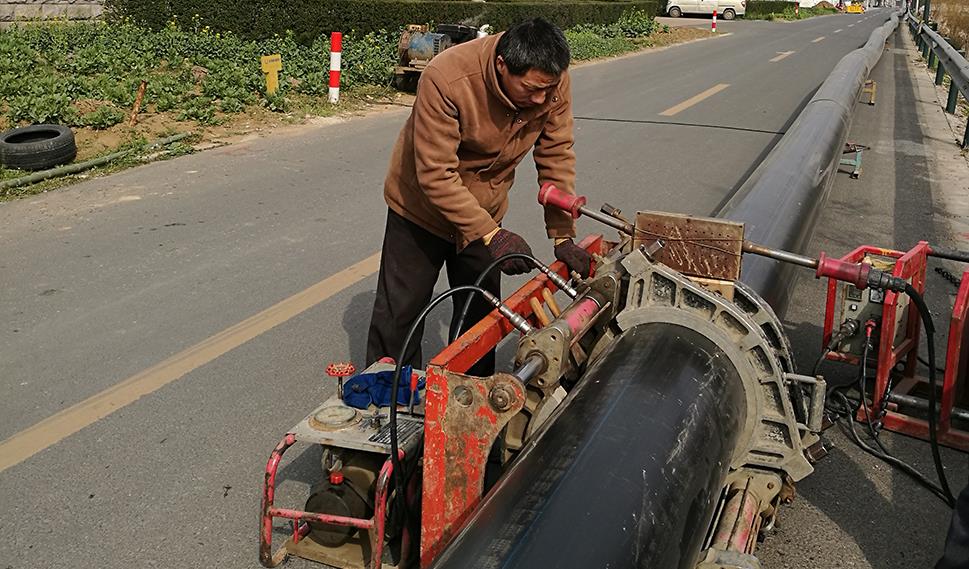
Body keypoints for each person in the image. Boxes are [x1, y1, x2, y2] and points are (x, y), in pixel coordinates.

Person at [366, 18, 591, 376]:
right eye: (531, 90)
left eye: (547, 91)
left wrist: (563, 235)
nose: (540, 99)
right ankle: (385, 402)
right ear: (502, 66)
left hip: (485, 205)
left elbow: (556, 153)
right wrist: (493, 236)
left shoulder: (550, 81)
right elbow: (436, 174)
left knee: (480, 316)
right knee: (401, 314)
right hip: (420, 207)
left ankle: (469, 404)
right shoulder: (448, 78)